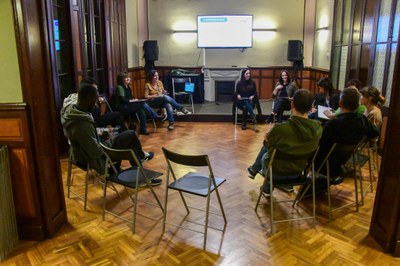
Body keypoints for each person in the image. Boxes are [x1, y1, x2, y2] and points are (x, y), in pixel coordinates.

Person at [61, 83, 161, 185]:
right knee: (130, 135)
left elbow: (89, 141)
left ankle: (131, 165)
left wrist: (101, 136)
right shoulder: (82, 124)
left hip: (78, 155)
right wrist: (108, 142)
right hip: (93, 159)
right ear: (87, 99)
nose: (95, 104)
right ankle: (141, 171)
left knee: (122, 137)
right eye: (94, 101)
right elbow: (95, 153)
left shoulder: (71, 112)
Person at [246, 89, 323, 195]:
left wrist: (267, 137)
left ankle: (264, 184)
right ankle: (287, 185)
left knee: (269, 152)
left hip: (275, 174)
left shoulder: (280, 129)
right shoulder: (318, 128)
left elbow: (266, 144)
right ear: (311, 108)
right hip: (298, 173)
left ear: (292, 104)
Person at [314, 87, 380, 182]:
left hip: (322, 165)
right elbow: (376, 133)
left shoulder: (332, 125)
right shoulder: (362, 120)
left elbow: (320, 144)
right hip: (342, 163)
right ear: (358, 106)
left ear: (340, 103)